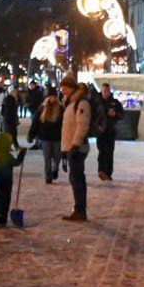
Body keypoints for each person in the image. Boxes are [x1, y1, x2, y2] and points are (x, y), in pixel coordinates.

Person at [59, 76, 93, 222]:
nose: (62, 90)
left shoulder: (81, 103)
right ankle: (79, 208)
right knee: (75, 178)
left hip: (77, 148)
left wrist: (75, 145)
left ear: (72, 88)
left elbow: (82, 126)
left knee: (77, 178)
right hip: (71, 147)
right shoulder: (70, 104)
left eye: (65, 87)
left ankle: (80, 210)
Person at [0, 128, 21, 226]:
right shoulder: (8, 156)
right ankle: (1, 216)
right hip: (6, 181)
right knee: (5, 198)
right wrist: (21, 155)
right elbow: (17, 163)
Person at [94, 83, 123, 181]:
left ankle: (108, 173)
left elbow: (122, 115)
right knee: (102, 151)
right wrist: (97, 125)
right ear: (101, 91)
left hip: (110, 131)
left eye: (107, 91)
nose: (106, 93)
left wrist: (115, 114)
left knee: (110, 152)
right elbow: (93, 115)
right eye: (104, 91)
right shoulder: (97, 102)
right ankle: (101, 171)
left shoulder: (114, 102)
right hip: (101, 131)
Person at [33, 88, 63, 183]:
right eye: (50, 96)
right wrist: (32, 134)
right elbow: (36, 122)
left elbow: (64, 122)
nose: (52, 98)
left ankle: (55, 169)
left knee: (57, 156)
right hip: (45, 137)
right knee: (47, 157)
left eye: (53, 96)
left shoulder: (60, 108)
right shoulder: (42, 108)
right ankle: (48, 176)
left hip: (57, 137)